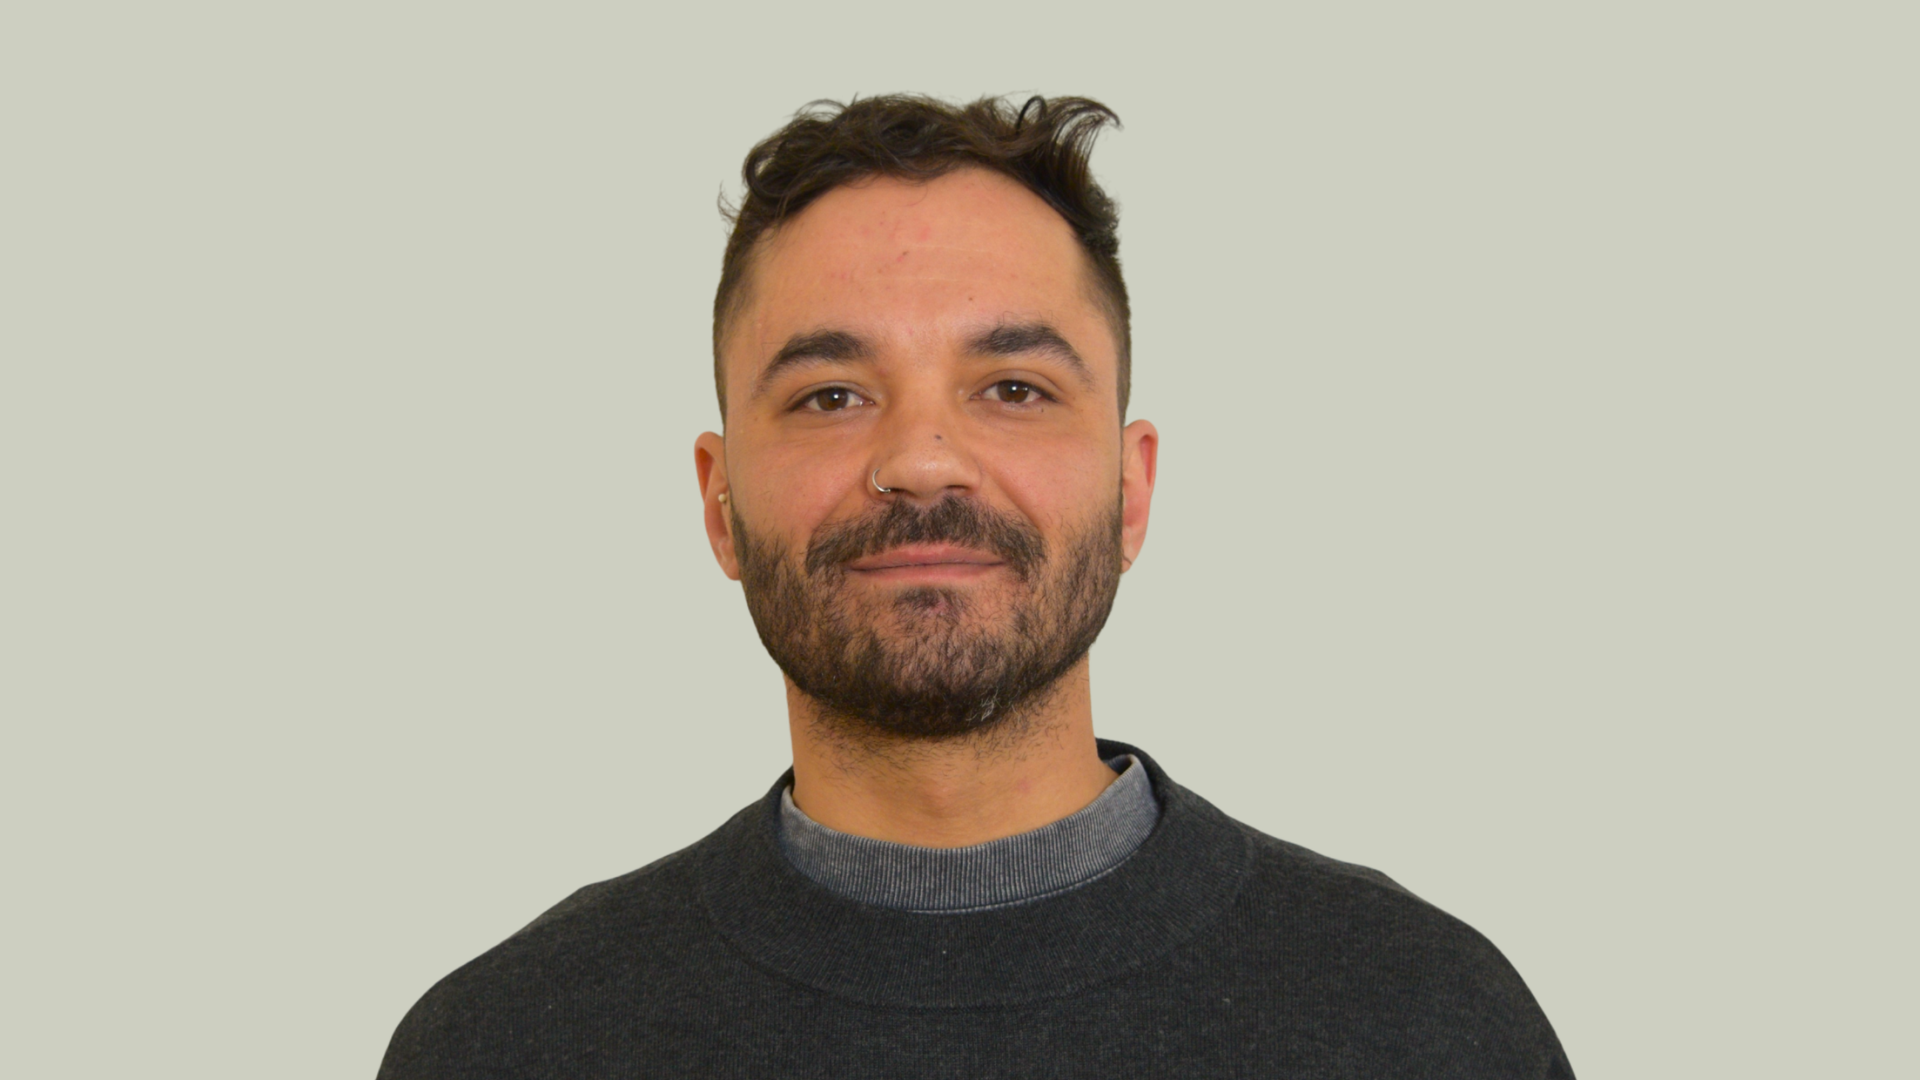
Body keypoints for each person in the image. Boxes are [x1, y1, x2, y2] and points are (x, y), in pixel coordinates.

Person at [377, 93, 1575, 1079]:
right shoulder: (502, 1047)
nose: (921, 460)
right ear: (720, 501)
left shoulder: (1427, 1025)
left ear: (1131, 489)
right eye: (830, 396)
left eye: (1013, 389)